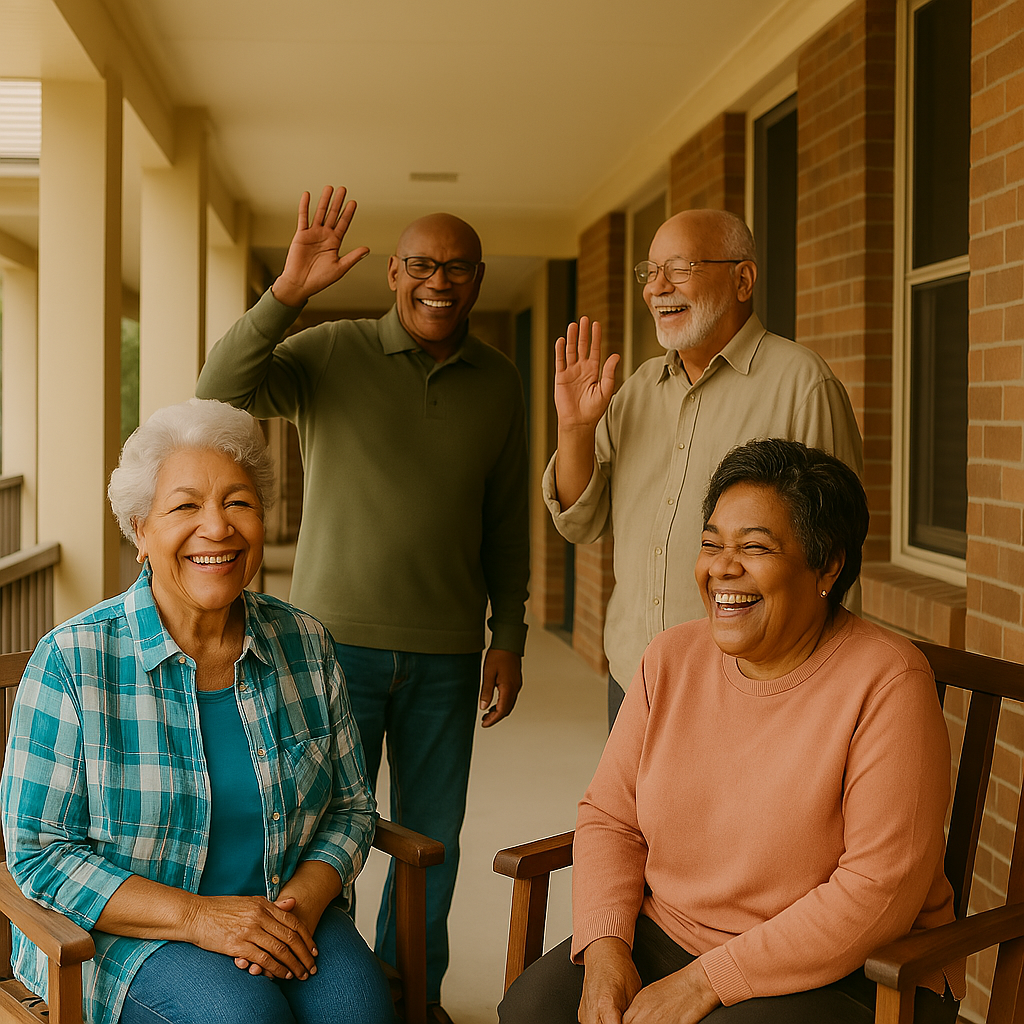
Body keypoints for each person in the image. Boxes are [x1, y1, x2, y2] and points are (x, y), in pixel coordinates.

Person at [195, 185, 530, 1014]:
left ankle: (410, 995)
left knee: (433, 843)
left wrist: (510, 632)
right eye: (421, 264)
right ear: (393, 273)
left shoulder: (501, 382)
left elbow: (507, 519)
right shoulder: (331, 351)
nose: (438, 281)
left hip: (448, 652)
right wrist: (286, 294)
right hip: (327, 647)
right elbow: (218, 385)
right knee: (320, 832)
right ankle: (317, 981)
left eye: (457, 267)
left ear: (480, 279)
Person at [500, 438, 965, 1024]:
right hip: (672, 934)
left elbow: (878, 890)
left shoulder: (888, 681)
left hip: (850, 969)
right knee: (534, 1011)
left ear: (828, 565)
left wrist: (705, 982)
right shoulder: (670, 659)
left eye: (754, 547)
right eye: (711, 543)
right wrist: (606, 949)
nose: (722, 566)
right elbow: (610, 817)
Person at [0, 399, 392, 1024]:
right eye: (185, 506)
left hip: (281, 909)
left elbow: (350, 807)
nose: (218, 528)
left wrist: (300, 903)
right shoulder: (74, 659)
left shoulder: (306, 645)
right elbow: (38, 853)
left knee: (362, 1011)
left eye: (238, 502)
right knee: (244, 1016)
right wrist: (200, 917)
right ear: (139, 531)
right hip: (125, 938)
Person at [544, 209, 863, 726]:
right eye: (649, 272)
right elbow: (582, 521)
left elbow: (837, 558)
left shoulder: (803, 385)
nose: (657, 288)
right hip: (634, 675)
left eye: (680, 268)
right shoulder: (637, 390)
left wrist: (823, 695)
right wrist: (576, 431)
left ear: (742, 279)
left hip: (747, 686)